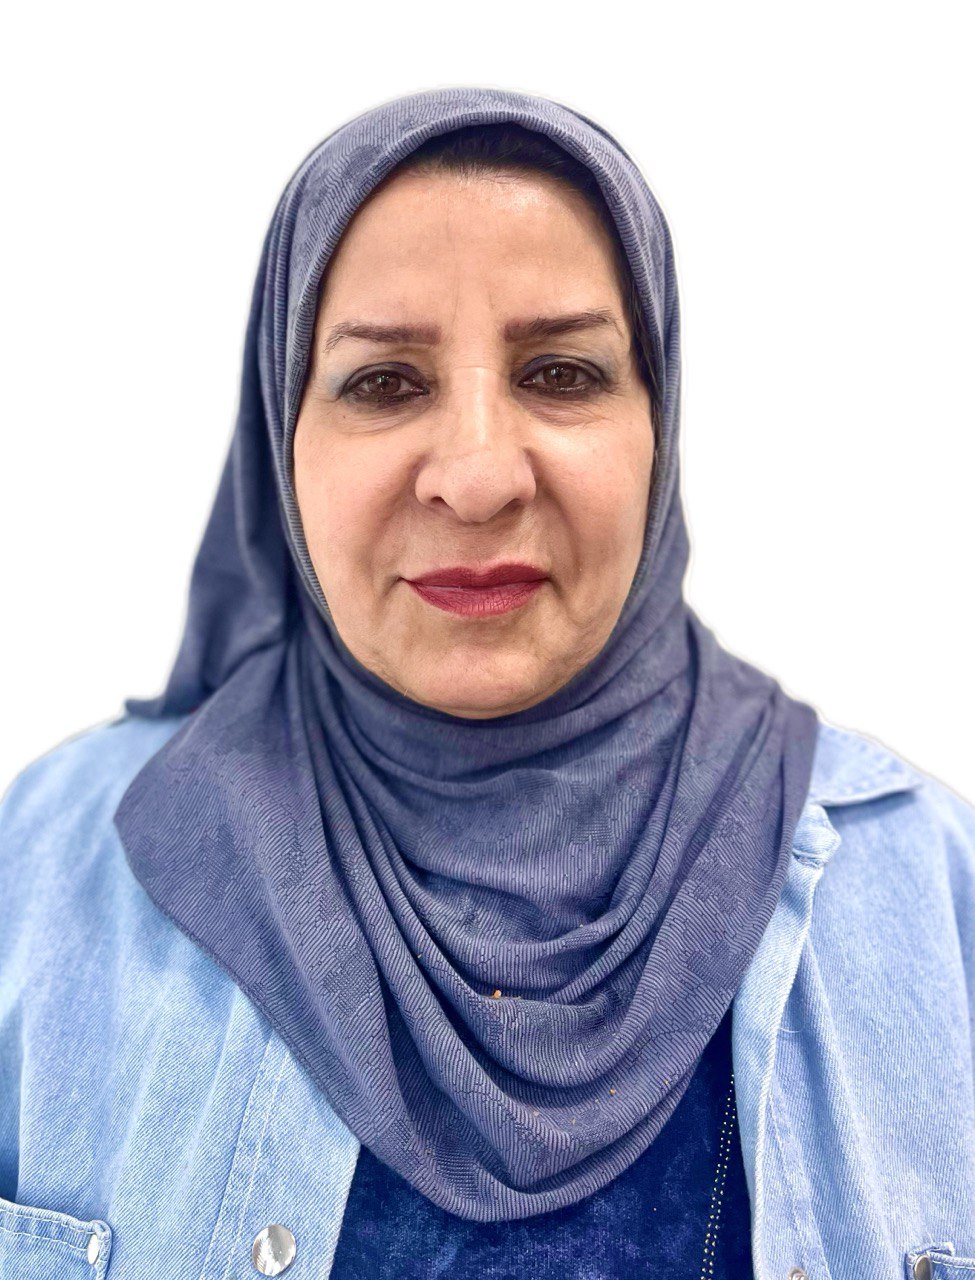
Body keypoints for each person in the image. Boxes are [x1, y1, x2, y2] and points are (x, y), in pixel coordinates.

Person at [0, 86, 973, 1280]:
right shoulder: (40, 878)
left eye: (560, 372)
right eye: (383, 381)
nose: (475, 477)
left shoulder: (935, 896)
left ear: (660, 427)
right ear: (282, 437)